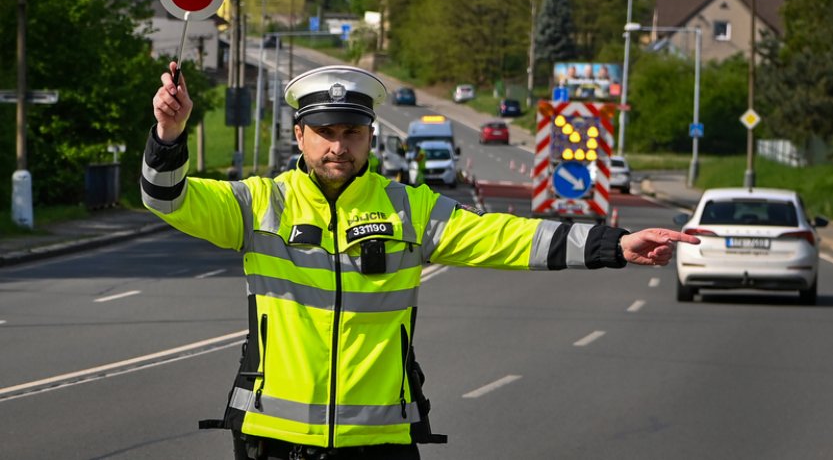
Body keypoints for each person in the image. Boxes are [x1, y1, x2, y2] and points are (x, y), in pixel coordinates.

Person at [142, 62, 699, 460]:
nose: (340, 146)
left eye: (352, 132)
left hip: (379, 442)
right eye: (326, 132)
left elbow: (506, 237)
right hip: (274, 440)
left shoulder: (408, 209)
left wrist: (612, 244)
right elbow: (168, 198)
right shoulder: (257, 203)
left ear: (370, 137)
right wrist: (169, 135)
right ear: (300, 134)